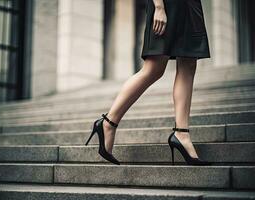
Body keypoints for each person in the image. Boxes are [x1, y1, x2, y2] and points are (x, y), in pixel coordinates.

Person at [85, 0, 211, 166]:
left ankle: (182, 134)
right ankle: (108, 122)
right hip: (168, 4)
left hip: (191, 4)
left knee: (188, 62)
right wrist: (159, 6)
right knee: (154, 67)